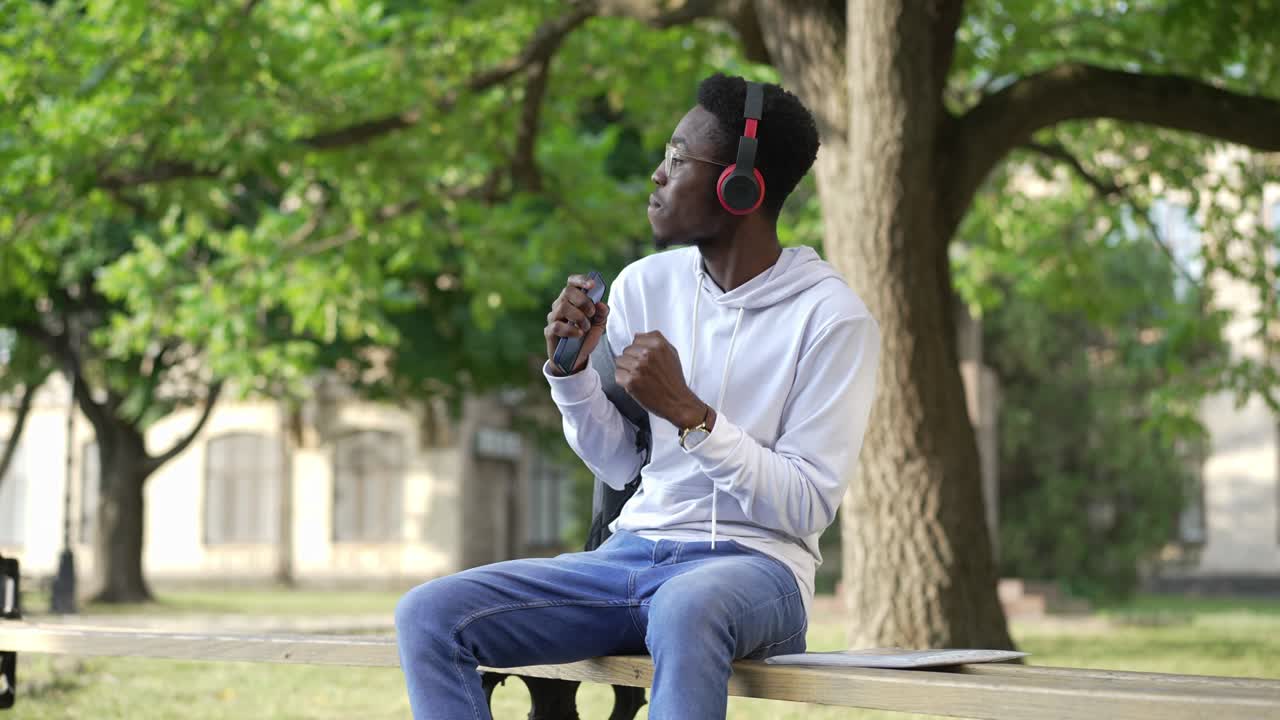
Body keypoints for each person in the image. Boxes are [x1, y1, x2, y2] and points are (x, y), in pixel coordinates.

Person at [395, 73, 881, 720]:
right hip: (631, 557)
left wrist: (695, 417)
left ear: (743, 187)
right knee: (430, 614)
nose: (656, 175)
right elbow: (622, 465)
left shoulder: (832, 319)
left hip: (757, 572)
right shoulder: (644, 285)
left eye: (677, 159)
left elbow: (805, 506)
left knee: (689, 605)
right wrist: (569, 376)